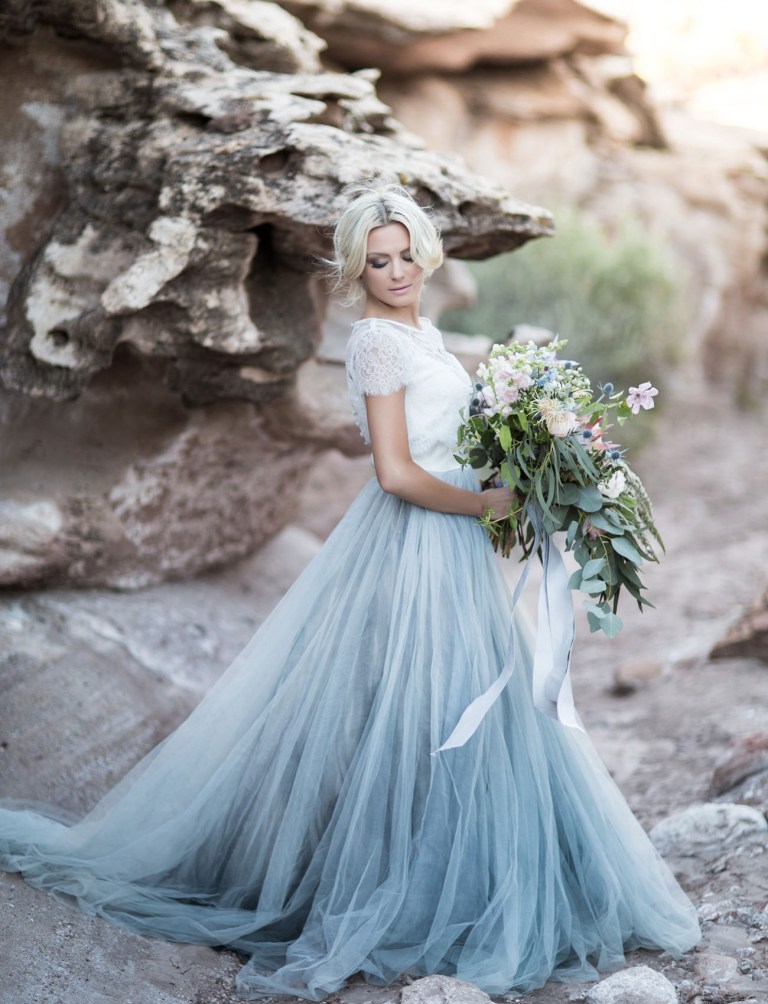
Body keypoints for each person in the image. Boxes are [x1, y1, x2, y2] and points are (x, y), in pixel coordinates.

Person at [0, 183, 699, 1000]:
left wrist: (530, 465)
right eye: (378, 261)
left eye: (406, 255)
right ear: (356, 268)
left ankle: (475, 882)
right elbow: (397, 473)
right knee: (424, 711)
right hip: (413, 545)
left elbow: (456, 439)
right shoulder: (375, 344)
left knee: (478, 708)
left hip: (458, 542)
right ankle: (400, 891)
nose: (397, 271)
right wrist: (490, 503)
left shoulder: (424, 331)